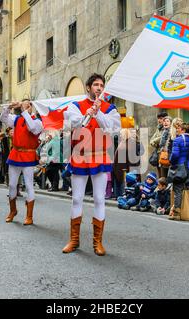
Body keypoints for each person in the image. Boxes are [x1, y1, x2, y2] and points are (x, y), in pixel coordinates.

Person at [62, 73, 121, 256]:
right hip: (80, 155)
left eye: (101, 85)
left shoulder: (110, 108)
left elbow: (112, 128)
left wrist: (99, 112)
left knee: (99, 199)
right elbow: (73, 124)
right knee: (77, 198)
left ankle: (98, 243)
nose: (99, 88)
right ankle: (74, 240)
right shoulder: (75, 106)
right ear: (88, 87)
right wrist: (87, 113)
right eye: (96, 84)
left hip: (100, 156)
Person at [1, 99, 44, 225]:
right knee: (12, 185)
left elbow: (32, 128)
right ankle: (12, 210)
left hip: (28, 154)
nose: (26, 106)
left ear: (32, 107)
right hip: (15, 153)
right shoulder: (17, 119)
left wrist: (25, 111)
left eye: (29, 104)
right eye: (24, 104)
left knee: (29, 185)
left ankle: (29, 216)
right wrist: (9, 106)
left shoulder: (37, 121)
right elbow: (3, 118)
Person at [168, 121, 189, 220]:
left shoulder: (177, 140)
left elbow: (175, 155)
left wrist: (171, 161)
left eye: (178, 128)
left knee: (178, 190)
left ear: (183, 130)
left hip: (179, 168)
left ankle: (177, 213)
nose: (177, 130)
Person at [112, 128, 144, 199]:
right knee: (120, 181)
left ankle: (128, 196)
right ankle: (119, 195)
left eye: (121, 134)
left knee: (128, 182)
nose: (120, 135)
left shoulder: (131, 142)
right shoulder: (122, 142)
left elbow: (133, 156)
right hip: (120, 165)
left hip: (127, 166)